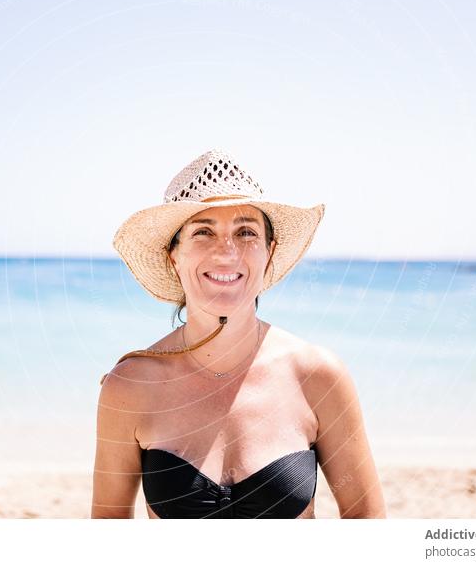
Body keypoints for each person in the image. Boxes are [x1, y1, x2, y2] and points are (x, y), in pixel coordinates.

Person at [91, 149, 386, 519]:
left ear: (269, 252)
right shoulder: (129, 386)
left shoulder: (317, 375)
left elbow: (368, 524)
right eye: (203, 232)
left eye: (246, 232)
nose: (226, 251)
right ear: (174, 257)